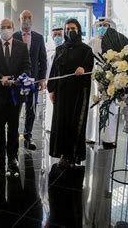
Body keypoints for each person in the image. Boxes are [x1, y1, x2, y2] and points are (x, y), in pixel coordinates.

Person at [0, 18, 31, 172]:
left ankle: (12, 158)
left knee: (13, 128)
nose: (6, 30)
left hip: (15, 94)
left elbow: (27, 67)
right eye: (2, 27)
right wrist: (0, 78)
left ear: (13, 28)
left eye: (8, 27)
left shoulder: (22, 47)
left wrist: (19, 78)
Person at [47, 18, 94, 167]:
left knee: (75, 123)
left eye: (72, 28)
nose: (69, 31)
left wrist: (84, 70)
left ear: (78, 30)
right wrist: (51, 89)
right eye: (67, 29)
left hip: (78, 93)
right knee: (61, 123)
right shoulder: (60, 49)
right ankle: (62, 155)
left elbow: (89, 67)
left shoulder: (86, 50)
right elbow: (54, 70)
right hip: (62, 93)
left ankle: (73, 155)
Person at [13, 10, 47, 151]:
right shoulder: (14, 37)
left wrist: (41, 79)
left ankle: (28, 136)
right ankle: (14, 135)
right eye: (23, 18)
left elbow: (42, 60)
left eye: (29, 17)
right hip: (17, 81)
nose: (26, 20)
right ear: (19, 20)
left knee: (31, 109)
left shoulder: (39, 38)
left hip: (33, 81)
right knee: (15, 109)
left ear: (32, 19)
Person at [86, 17, 119, 149]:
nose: (102, 27)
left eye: (106, 25)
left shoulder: (116, 44)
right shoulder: (91, 42)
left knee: (110, 108)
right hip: (93, 80)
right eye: (100, 25)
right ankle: (91, 136)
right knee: (92, 107)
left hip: (110, 80)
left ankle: (108, 138)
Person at [45, 27, 64, 133]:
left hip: (63, 82)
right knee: (50, 105)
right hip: (50, 82)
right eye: (55, 35)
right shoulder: (48, 50)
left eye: (59, 35)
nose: (57, 37)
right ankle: (50, 125)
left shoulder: (66, 49)